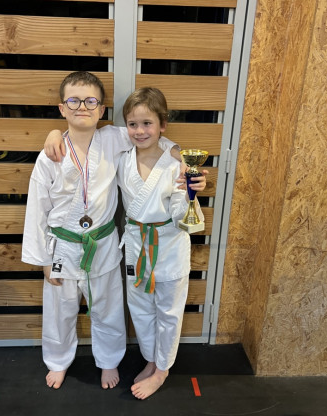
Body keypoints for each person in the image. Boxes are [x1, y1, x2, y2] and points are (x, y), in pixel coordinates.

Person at [22, 71, 181, 391]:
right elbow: (37, 209)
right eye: (74, 101)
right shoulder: (49, 156)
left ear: (102, 109)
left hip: (104, 241)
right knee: (60, 309)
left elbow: (151, 135)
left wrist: (179, 154)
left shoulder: (113, 138)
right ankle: (58, 361)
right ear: (62, 108)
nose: (82, 106)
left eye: (90, 101)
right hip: (62, 246)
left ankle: (109, 359)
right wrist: (42, 260)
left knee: (107, 307)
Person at [117, 87, 205, 399]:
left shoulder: (175, 164)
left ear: (162, 125)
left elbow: (183, 215)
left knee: (168, 312)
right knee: (140, 309)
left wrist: (191, 189)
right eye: (133, 124)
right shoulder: (123, 158)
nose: (140, 131)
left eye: (147, 123)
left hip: (168, 245)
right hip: (136, 244)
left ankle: (163, 369)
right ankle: (151, 359)